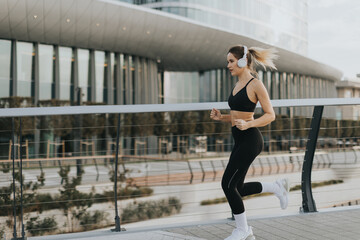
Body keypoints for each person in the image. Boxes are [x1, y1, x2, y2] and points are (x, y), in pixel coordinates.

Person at [210, 45, 290, 240]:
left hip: (251, 140)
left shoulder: (255, 84)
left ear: (242, 61)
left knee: (227, 185)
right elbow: (239, 116)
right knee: (239, 188)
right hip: (239, 139)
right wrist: (222, 118)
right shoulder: (237, 84)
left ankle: (243, 230)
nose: (227, 65)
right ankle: (277, 188)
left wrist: (249, 124)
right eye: (227, 61)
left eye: (231, 61)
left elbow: (270, 115)